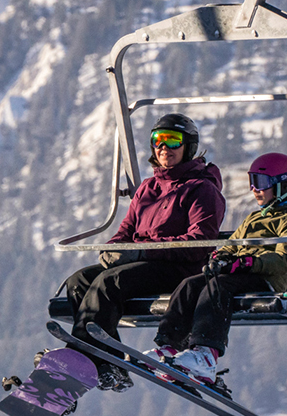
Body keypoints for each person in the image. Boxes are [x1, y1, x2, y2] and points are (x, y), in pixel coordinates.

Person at [61, 113, 226, 392]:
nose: (164, 148)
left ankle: (79, 356)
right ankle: (107, 362)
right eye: (157, 140)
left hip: (178, 269)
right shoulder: (149, 188)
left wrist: (142, 253)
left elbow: (200, 242)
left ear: (189, 147)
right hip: (143, 264)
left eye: (173, 141)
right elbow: (126, 229)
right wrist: (114, 251)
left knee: (109, 283)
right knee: (79, 281)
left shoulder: (202, 189)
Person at [147, 152, 287, 385]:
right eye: (252, 182)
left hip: (265, 281)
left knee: (218, 286)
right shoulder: (253, 218)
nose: (254, 189)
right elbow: (232, 245)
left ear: (282, 184)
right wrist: (222, 258)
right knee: (191, 284)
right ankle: (169, 345)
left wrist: (247, 263)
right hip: (239, 275)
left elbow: (282, 260)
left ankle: (206, 355)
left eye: (260, 183)